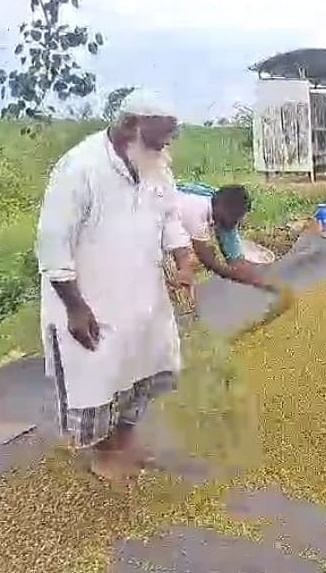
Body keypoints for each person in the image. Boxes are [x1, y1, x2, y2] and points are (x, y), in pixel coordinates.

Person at [36, 90, 194, 482]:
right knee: (99, 379)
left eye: (169, 137)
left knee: (145, 370)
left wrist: (184, 261)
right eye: (159, 138)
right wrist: (74, 306)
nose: (166, 145)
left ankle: (126, 441)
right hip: (93, 301)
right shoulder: (80, 167)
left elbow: (169, 218)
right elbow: (52, 240)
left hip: (144, 297)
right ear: (129, 126)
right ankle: (102, 454)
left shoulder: (157, 166)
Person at [174, 182, 277, 293]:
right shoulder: (195, 209)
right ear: (223, 208)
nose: (235, 223)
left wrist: (261, 281)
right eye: (234, 218)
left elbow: (236, 259)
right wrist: (234, 275)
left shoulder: (221, 208)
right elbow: (207, 260)